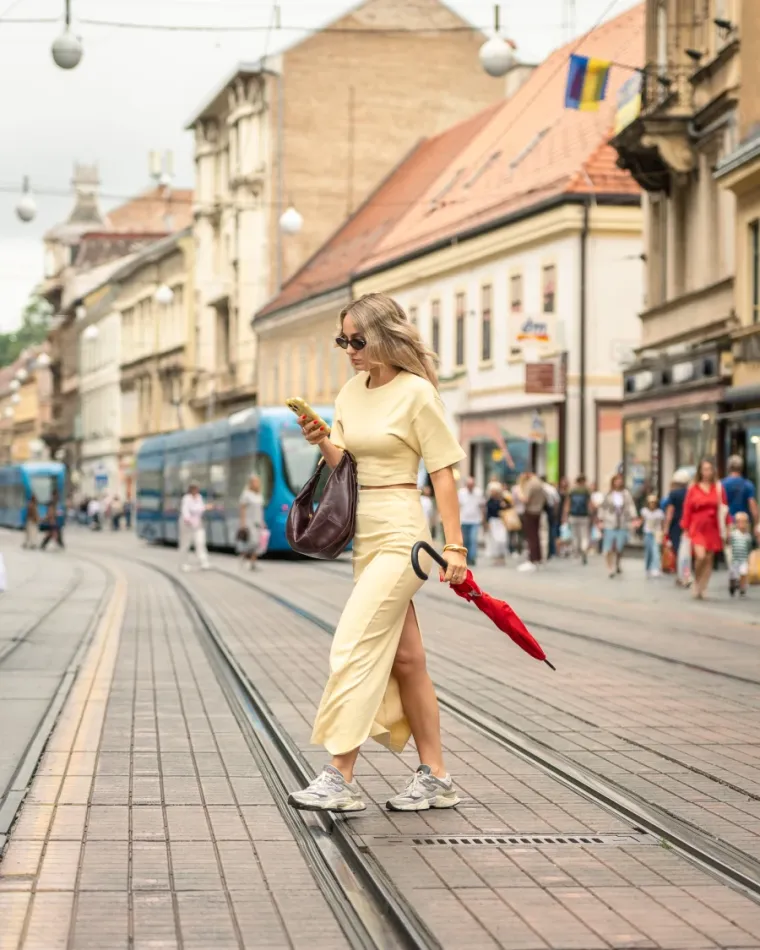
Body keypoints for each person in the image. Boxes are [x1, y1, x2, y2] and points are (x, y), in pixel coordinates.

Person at [287, 292, 467, 814]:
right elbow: (347, 465)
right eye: (343, 340)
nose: (350, 350)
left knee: (353, 644)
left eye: (358, 340)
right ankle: (436, 776)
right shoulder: (349, 392)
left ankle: (339, 775)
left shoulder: (417, 395)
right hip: (364, 537)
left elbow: (442, 472)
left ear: (385, 336)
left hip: (404, 536)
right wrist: (322, 437)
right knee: (407, 661)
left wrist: (454, 544)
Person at [681, 458, 729, 600]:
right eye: (704, 469)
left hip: (713, 527)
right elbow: (687, 508)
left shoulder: (718, 488)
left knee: (709, 558)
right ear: (700, 471)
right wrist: (685, 527)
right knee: (700, 556)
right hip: (697, 527)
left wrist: (728, 526)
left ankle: (703, 587)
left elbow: (724, 508)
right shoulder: (693, 488)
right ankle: (696, 581)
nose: (707, 472)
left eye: (709, 469)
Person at [597, 474, 638, 578]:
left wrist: (634, 518)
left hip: (622, 523)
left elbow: (630, 506)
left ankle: (617, 563)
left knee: (619, 547)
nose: (618, 482)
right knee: (608, 547)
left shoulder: (626, 494)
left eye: (620, 480)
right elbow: (603, 507)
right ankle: (610, 568)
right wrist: (600, 520)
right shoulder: (608, 494)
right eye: (616, 480)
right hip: (610, 522)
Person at [662, 469, 691, 586]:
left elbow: (670, 511)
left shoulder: (673, 494)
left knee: (679, 551)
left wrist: (666, 527)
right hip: (688, 524)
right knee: (686, 551)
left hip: (676, 525)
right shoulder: (690, 492)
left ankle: (683, 575)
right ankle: (685, 574)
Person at [722, 455, 760, 537]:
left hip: (728, 524)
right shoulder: (748, 484)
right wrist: (757, 524)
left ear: (729, 467)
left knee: (729, 548)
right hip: (744, 524)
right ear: (741, 468)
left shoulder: (722, 484)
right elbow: (752, 505)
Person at [518, 471, 546, 572]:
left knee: (531, 537)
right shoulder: (540, 483)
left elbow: (525, 499)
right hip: (538, 511)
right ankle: (538, 558)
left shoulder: (531, 484)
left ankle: (532, 559)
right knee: (536, 536)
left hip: (530, 511)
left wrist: (519, 491)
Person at [179, 481, 210, 571]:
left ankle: (203, 561)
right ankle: (183, 563)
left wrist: (204, 508)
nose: (196, 490)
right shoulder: (186, 498)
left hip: (197, 524)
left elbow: (200, 510)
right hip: (187, 525)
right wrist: (187, 519)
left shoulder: (199, 497)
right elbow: (186, 510)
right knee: (185, 544)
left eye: (197, 488)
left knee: (200, 542)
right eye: (194, 488)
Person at [562, 475, 591, 565]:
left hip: (573, 515)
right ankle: (584, 549)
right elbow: (589, 505)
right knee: (584, 535)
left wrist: (565, 516)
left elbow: (567, 504)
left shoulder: (572, 491)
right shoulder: (586, 491)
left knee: (575, 535)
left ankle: (576, 552)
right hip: (584, 516)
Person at [238, 474, 264, 570]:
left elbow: (260, 510)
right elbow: (242, 509)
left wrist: (263, 522)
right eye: (254, 482)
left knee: (258, 543)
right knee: (252, 542)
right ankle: (244, 556)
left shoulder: (259, 494)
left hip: (258, 521)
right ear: (250, 483)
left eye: (257, 482)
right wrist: (242, 523)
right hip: (249, 522)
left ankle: (253, 563)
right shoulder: (246, 494)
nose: (256, 484)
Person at [457, 476, 484, 566]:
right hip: (464, 520)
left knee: (473, 539)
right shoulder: (461, 492)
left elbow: (482, 506)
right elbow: (458, 506)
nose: (470, 486)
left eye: (472, 485)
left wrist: (484, 519)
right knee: (466, 540)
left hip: (475, 520)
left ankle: (472, 558)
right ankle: (466, 557)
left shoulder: (478, 492)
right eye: (469, 485)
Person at [640, 494, 665, 578]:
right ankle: (648, 568)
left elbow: (662, 524)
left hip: (657, 533)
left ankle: (655, 568)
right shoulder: (644, 511)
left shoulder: (660, 513)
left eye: (654, 503)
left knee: (656, 551)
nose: (652, 504)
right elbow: (641, 521)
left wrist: (663, 533)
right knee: (649, 551)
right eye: (650, 503)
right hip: (648, 533)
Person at [729, 512, 753, 597]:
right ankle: (732, 585)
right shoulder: (734, 534)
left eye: (744, 522)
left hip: (743, 559)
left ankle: (742, 588)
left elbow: (749, 547)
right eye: (740, 522)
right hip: (734, 559)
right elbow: (729, 544)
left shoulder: (748, 536)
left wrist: (749, 557)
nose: (742, 524)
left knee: (743, 573)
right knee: (734, 574)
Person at [485, 481, 507, 564]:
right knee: (495, 540)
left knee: (502, 539)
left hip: (501, 521)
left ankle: (502, 557)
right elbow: (488, 513)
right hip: (493, 521)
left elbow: (509, 507)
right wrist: (487, 523)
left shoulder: (503, 499)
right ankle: (496, 558)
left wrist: (504, 505)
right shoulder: (489, 501)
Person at [541, 476, 561, 559]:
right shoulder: (551, 488)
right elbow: (557, 501)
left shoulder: (542, 488)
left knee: (543, 532)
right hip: (550, 510)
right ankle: (551, 551)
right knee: (551, 531)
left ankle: (545, 552)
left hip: (543, 510)